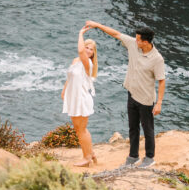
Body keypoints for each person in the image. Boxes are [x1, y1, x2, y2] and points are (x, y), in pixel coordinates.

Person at [85, 20, 165, 167]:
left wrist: (159, 103)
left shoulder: (157, 59)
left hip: (146, 99)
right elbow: (115, 33)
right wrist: (97, 25)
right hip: (132, 94)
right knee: (132, 127)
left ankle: (149, 157)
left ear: (145, 42)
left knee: (148, 129)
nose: (135, 40)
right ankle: (133, 156)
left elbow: (161, 81)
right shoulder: (133, 45)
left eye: (138, 39)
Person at [61, 25, 99, 166]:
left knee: (81, 130)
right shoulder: (76, 61)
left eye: (91, 49)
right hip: (74, 98)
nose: (88, 50)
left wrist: (81, 33)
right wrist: (64, 90)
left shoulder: (86, 62)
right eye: (87, 47)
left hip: (82, 99)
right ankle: (91, 154)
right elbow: (70, 77)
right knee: (78, 129)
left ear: (93, 53)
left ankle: (87, 158)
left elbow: (80, 49)